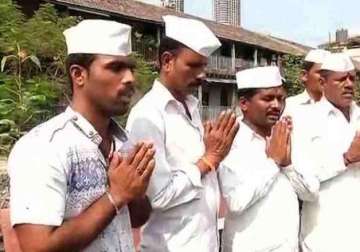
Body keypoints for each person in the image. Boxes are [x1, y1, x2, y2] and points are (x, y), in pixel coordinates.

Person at [8, 19, 155, 252]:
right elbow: (37, 247)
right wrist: (115, 196)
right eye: (116, 68)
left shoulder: (124, 142)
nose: (130, 78)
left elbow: (136, 219)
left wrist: (133, 192)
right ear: (79, 75)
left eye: (131, 68)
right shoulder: (43, 147)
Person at [126, 15, 239, 252]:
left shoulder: (191, 106)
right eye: (194, 65)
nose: (202, 75)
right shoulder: (148, 115)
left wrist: (212, 158)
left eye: (204, 66)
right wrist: (208, 160)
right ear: (167, 61)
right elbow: (158, 196)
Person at [219, 66, 318, 252]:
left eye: (281, 99)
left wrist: (287, 165)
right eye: (267, 98)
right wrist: (273, 162)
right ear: (244, 104)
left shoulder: (287, 135)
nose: (276, 105)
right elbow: (236, 201)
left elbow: (310, 193)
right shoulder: (230, 140)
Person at [294, 53, 360, 252]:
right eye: (341, 79)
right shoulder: (304, 120)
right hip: (325, 236)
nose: (348, 84)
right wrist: (346, 159)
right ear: (322, 82)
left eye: (352, 78)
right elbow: (303, 183)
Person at [284, 49, 330, 116]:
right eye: (321, 72)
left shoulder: (342, 107)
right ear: (304, 75)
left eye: (330, 73)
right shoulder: (289, 106)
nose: (326, 77)